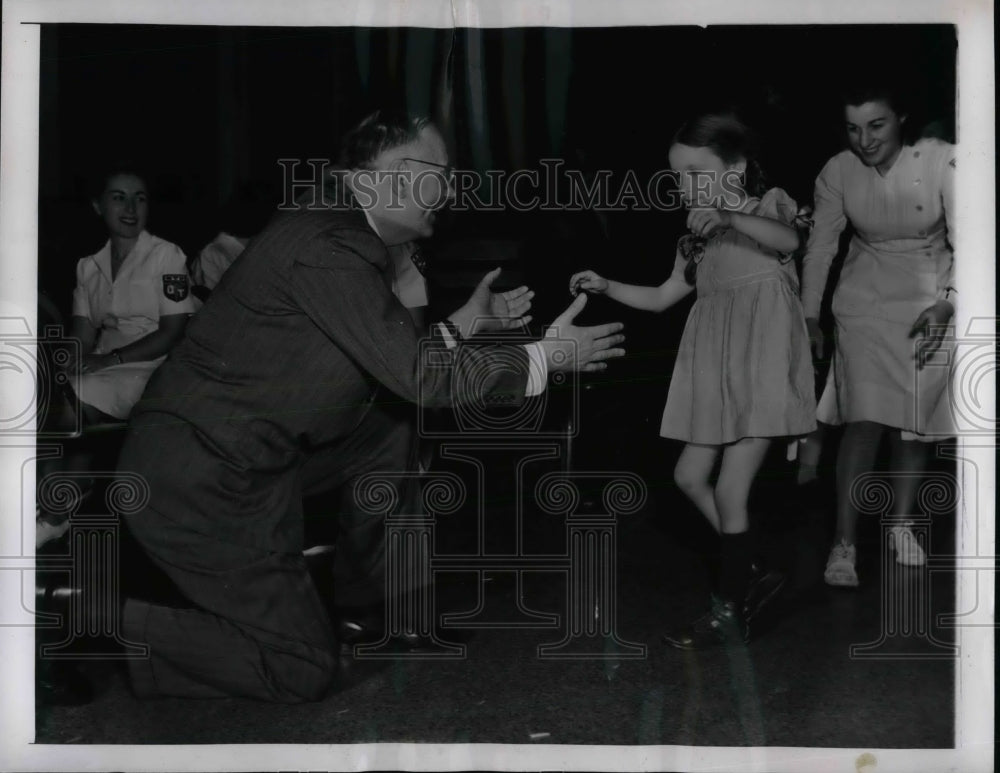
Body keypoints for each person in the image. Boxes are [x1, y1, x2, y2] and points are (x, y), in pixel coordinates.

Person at [115, 109, 625, 702]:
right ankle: (93, 619)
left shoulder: (335, 230)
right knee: (302, 670)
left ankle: (377, 611)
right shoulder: (329, 243)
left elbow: (388, 363)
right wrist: (545, 359)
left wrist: (467, 324)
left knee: (386, 425)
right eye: (440, 174)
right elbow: (418, 376)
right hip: (201, 478)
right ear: (380, 175)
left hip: (245, 456)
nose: (450, 190)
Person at [569, 112, 815, 649]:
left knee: (730, 487)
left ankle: (730, 609)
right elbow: (661, 298)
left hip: (764, 369)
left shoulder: (763, 207)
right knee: (687, 476)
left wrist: (728, 211)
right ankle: (751, 569)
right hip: (717, 372)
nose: (687, 187)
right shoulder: (695, 238)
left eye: (700, 174)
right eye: (679, 176)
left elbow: (789, 241)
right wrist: (608, 284)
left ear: (738, 167)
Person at [800, 84, 956, 587]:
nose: (863, 139)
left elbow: (971, 238)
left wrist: (947, 302)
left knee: (913, 420)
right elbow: (821, 248)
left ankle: (902, 524)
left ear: (901, 119)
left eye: (876, 125)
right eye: (852, 127)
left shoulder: (943, 162)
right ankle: (843, 544)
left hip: (929, 296)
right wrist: (809, 316)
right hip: (863, 298)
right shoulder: (838, 171)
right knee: (863, 418)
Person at [64, 167, 195, 423]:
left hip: (152, 369)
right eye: (119, 197)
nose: (131, 208)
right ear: (97, 206)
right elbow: (83, 333)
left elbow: (173, 332)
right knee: (43, 391)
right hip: (99, 363)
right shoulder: (88, 266)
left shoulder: (166, 255)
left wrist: (110, 360)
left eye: (140, 198)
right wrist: (60, 364)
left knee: (72, 399)